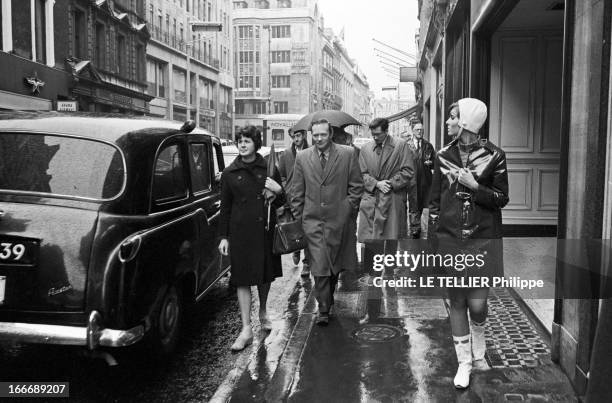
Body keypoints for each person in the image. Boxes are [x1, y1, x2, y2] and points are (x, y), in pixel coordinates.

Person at [428, 98, 509, 388]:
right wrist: (432, 246)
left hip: (482, 240)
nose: (448, 122)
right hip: (449, 239)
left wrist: (475, 187)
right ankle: (465, 362)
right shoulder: (441, 155)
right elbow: (434, 204)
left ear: (465, 123)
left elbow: (501, 199)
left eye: (452, 118)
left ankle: (479, 340)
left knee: (477, 305)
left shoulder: (495, 156)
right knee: (457, 301)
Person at [218, 126, 285, 351]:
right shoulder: (229, 173)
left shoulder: (268, 167)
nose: (243, 144)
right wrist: (223, 237)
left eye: (247, 140)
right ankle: (246, 328)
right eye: (240, 141)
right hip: (240, 233)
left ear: (256, 143)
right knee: (242, 278)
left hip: (263, 229)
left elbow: (282, 201)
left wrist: (278, 191)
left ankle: (263, 310)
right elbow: (225, 208)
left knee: (264, 275)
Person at [291, 118, 364, 326]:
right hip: (313, 222)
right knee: (319, 265)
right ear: (311, 136)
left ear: (330, 133)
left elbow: (356, 186)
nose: (319, 138)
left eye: (323, 134)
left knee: (334, 266)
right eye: (315, 135)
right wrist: (300, 219)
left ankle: (328, 296)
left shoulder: (348, 154)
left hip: (339, 221)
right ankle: (323, 308)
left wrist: (348, 209)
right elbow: (296, 192)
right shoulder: (303, 157)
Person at [358, 117, 415, 241]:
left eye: (378, 134)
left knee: (391, 243)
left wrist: (389, 183)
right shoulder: (365, 149)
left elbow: (408, 170)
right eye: (373, 135)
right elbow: (361, 174)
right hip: (371, 201)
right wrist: (377, 184)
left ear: (386, 131)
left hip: (392, 200)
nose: (375, 138)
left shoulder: (400, 146)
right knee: (370, 244)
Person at [278, 128, 311, 277]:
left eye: (298, 135)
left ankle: (307, 263)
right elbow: (281, 175)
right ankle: (296, 249)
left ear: (303, 136)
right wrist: (286, 189)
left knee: (309, 231)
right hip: (292, 198)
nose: (296, 139)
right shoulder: (286, 154)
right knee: (295, 227)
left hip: (309, 198)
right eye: (294, 136)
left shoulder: (312, 151)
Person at [407, 121, 436, 239]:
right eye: (417, 129)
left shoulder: (428, 146)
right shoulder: (407, 145)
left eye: (421, 130)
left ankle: (426, 228)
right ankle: (415, 228)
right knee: (414, 203)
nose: (420, 132)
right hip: (412, 179)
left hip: (425, 179)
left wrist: (431, 163)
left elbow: (435, 163)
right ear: (412, 131)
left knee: (425, 204)